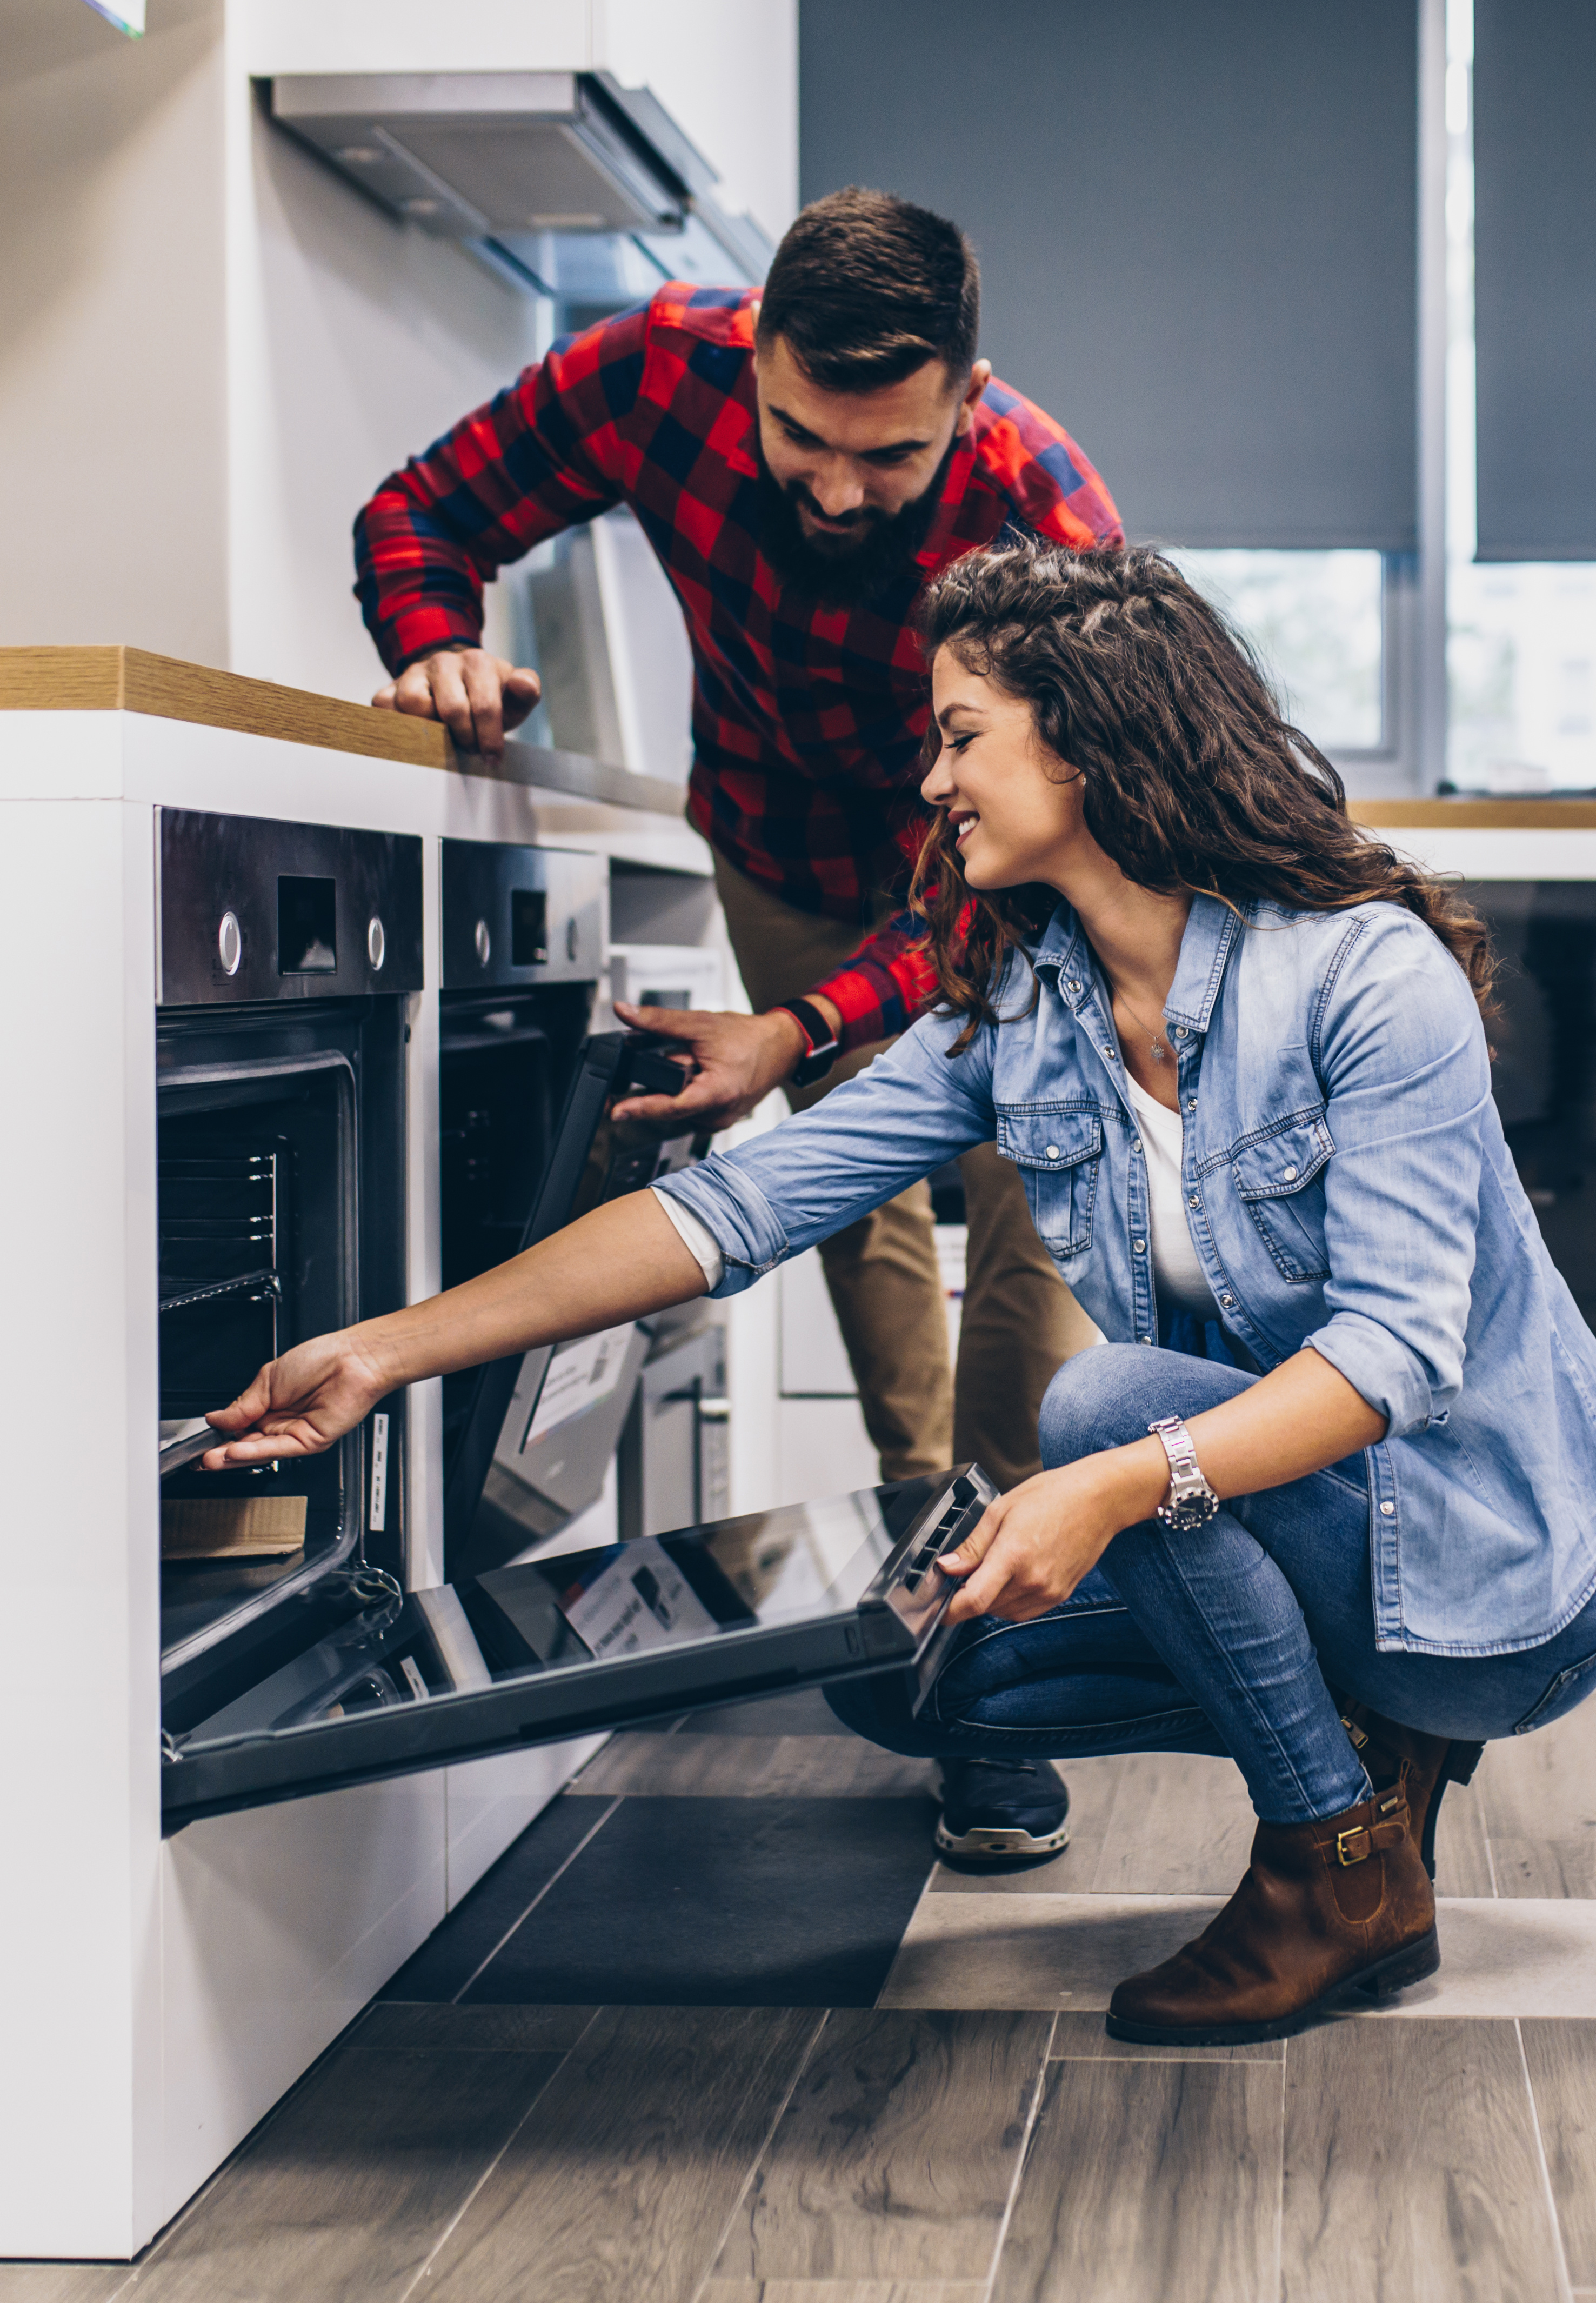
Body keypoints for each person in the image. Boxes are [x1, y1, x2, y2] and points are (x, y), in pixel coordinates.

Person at [201, 542, 1596, 2046]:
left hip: (1506, 1574)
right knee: (927, 1683)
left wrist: (1106, 1489)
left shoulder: (1363, 977)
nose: (933, 782)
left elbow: (1393, 1354)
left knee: (1099, 1403)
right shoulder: (1033, 1015)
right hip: (1300, 1532)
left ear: (1090, 740)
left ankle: (1332, 1867)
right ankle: (1351, 1738)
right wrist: (380, 1353)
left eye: (962, 738)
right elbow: (739, 1206)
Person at [356, 190, 1112, 1859]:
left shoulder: (1044, 511)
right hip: (775, 840)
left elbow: (1048, 840)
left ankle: (1005, 1653)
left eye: (888, 458)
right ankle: (941, 1579)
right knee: (855, 1200)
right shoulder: (653, 374)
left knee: (1030, 1199)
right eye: (799, 436)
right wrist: (435, 649)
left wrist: (806, 1023)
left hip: (990, 867)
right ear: (755, 359)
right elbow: (420, 515)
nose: (837, 488)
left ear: (965, 401)